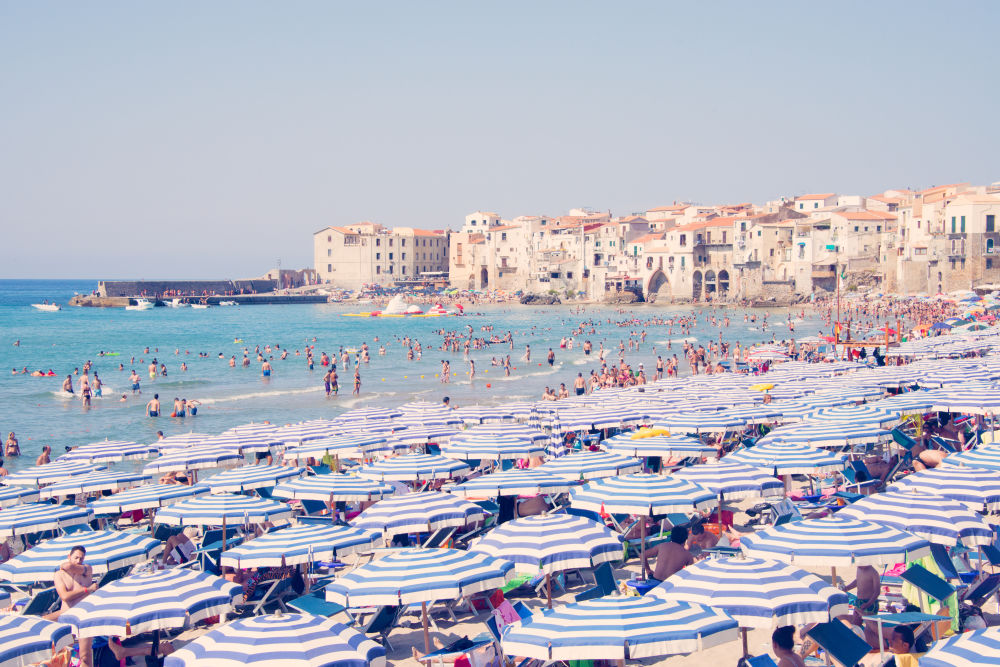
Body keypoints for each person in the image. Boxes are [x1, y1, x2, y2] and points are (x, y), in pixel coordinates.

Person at [51, 546, 96, 666]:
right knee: (64, 654)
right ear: (69, 557)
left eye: (81, 559)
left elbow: (70, 566)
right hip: (67, 618)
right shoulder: (59, 575)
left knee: (85, 655)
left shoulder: (87, 570)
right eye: (76, 557)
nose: (78, 561)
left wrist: (69, 565)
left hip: (84, 617)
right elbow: (65, 596)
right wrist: (87, 589)